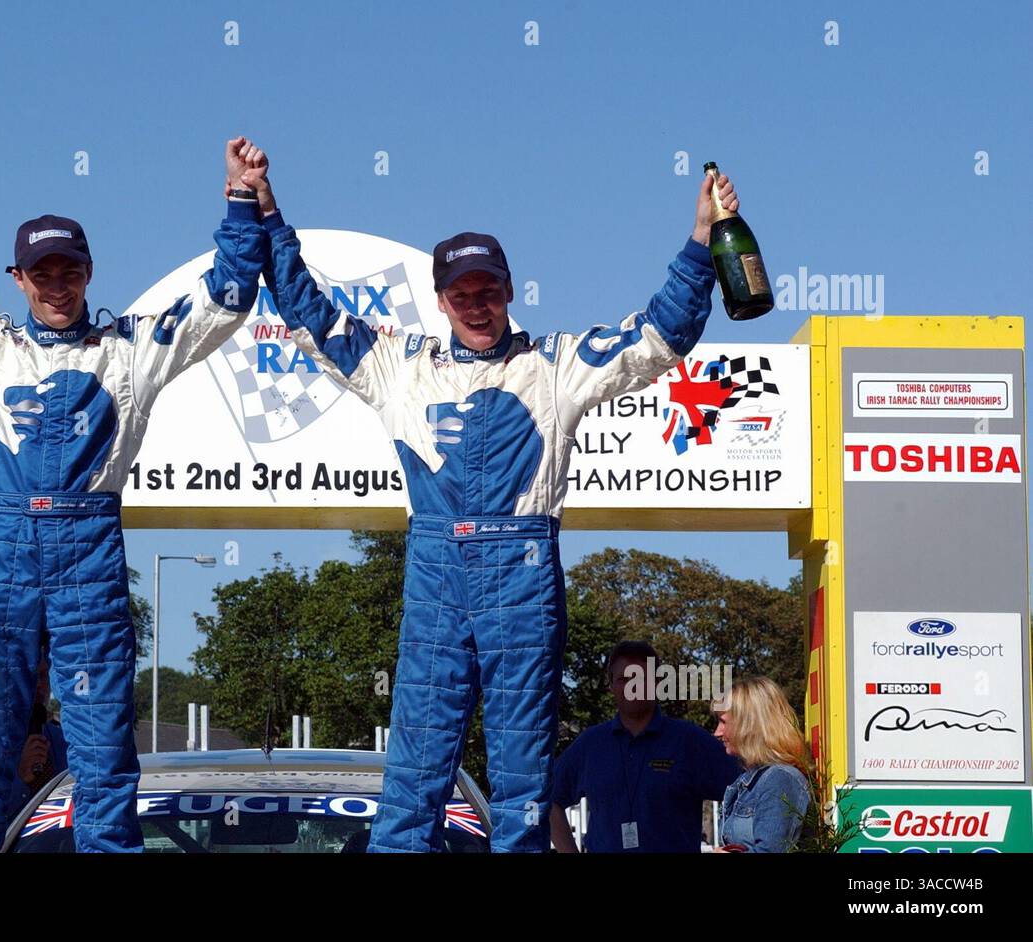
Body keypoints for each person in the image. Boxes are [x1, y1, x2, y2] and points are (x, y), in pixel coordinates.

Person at [237, 150, 738, 851]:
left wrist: (699, 239)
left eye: (489, 290)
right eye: (462, 293)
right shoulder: (400, 367)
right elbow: (306, 310)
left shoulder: (555, 366)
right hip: (437, 572)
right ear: (442, 300)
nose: (477, 304)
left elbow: (661, 335)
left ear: (509, 290)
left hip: (523, 571)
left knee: (522, 784)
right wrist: (263, 207)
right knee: (412, 777)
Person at [0, 138, 268, 853]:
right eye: (41, 272)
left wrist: (240, 200)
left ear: (89, 273)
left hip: (87, 548)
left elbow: (227, 297)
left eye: (69, 270)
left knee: (102, 759)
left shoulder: (130, 347)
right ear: (17, 278)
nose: (56, 283)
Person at [548, 641, 741, 853]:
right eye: (623, 679)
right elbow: (550, 800)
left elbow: (751, 790)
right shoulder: (590, 745)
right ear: (610, 685)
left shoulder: (689, 741)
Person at [712, 676, 811, 853]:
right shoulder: (752, 780)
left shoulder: (779, 779)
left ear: (749, 724)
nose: (717, 732)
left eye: (723, 722)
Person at [4, 651, 69, 821]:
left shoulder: (62, 740)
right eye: (32, 676)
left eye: (43, 676)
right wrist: (21, 779)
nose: (39, 685)